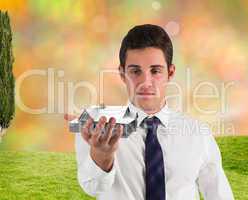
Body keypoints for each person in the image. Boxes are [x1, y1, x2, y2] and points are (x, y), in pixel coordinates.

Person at [71, 24, 234, 200]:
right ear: (122, 73)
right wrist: (102, 158)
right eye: (135, 71)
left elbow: (219, 195)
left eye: (155, 71)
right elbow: (93, 188)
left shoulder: (197, 134)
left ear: (170, 73)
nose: (145, 81)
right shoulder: (97, 127)